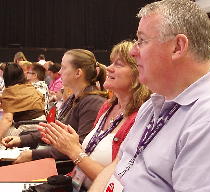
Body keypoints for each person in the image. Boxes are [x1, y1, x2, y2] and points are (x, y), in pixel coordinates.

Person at [89, 0, 210, 191]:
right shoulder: (153, 104)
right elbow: (119, 163)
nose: (134, 51)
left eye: (142, 41)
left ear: (178, 47)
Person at [38, 40, 151, 191]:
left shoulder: (141, 118)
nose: (109, 68)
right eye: (111, 63)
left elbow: (117, 184)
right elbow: (92, 154)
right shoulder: (108, 107)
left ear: (139, 72)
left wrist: (74, 151)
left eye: (118, 64)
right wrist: (71, 143)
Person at [1, 49, 107, 163]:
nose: (60, 71)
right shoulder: (74, 99)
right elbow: (53, 131)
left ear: (78, 73)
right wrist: (20, 140)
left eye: (64, 67)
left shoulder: (92, 103)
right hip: (54, 157)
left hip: (64, 167)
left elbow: (80, 148)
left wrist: (34, 154)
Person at [0, 63, 45, 137]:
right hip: (42, 124)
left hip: (28, 127)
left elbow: (8, 119)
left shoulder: (10, 92)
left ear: (6, 77)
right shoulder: (29, 86)